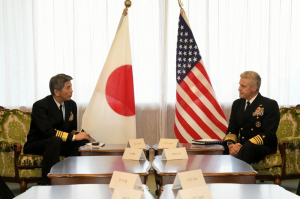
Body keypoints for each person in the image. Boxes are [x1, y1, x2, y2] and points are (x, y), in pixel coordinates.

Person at [24, 74, 91, 185]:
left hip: (59, 143)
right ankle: (49, 182)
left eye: (71, 87)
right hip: (38, 144)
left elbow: (72, 129)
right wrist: (73, 137)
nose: (72, 91)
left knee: (82, 142)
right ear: (57, 92)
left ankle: (73, 178)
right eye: (68, 88)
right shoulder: (40, 106)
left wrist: (81, 135)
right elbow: (47, 132)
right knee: (55, 140)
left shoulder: (72, 105)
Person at [223, 71, 280, 164]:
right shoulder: (237, 104)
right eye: (239, 85)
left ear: (254, 88)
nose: (239, 89)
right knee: (221, 146)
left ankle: (237, 177)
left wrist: (243, 146)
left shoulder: (269, 104)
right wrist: (231, 145)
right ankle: (217, 176)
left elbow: (268, 134)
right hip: (243, 144)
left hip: (263, 146)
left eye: (243, 86)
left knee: (248, 148)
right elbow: (232, 129)